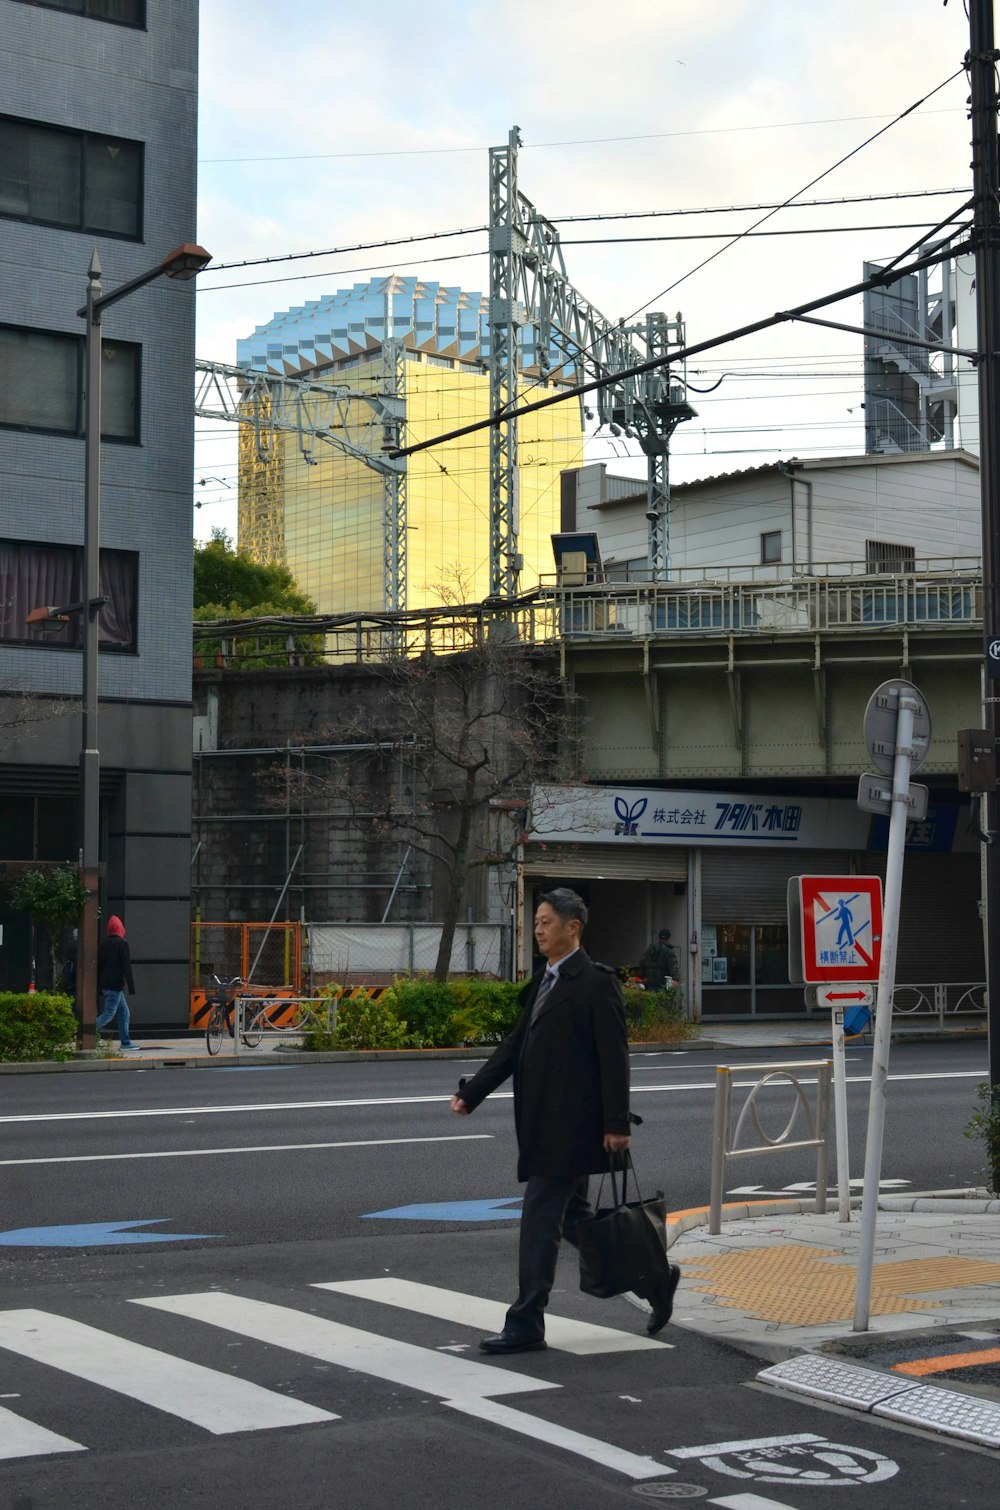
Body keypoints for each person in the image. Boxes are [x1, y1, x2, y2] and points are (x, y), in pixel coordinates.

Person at [451, 887, 679, 1352]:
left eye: (546, 922)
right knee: (576, 1222)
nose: (538, 930)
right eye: (535, 922)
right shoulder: (545, 980)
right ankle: (655, 1278)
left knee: (537, 1220)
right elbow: (515, 1046)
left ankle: (525, 1322)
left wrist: (616, 1123)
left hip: (572, 1128)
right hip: (541, 1124)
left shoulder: (596, 982)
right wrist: (473, 1093)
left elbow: (614, 1057)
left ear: (573, 927)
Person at [95, 915, 139, 1050]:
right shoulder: (122, 943)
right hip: (115, 985)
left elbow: (99, 966)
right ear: (120, 929)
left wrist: (98, 987)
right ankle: (86, 1032)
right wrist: (131, 987)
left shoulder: (103, 943)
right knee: (108, 1014)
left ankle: (125, 1042)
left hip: (106, 985)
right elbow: (127, 966)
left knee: (124, 1013)